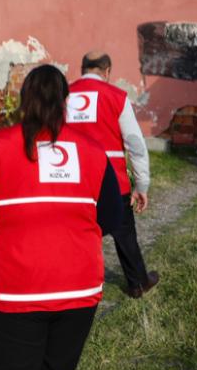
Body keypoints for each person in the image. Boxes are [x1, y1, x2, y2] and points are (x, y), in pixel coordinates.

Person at [0, 64, 122, 370]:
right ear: (66, 101)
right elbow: (111, 217)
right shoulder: (93, 150)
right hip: (79, 287)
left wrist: (10, 224)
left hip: (17, 290)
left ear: (24, 100)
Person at [67, 51, 160, 297]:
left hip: (71, 180)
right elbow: (135, 144)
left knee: (74, 235)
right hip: (111, 181)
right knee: (125, 235)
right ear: (107, 72)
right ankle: (138, 283)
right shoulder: (116, 97)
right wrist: (142, 184)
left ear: (82, 69)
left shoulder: (63, 95)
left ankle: (75, 285)